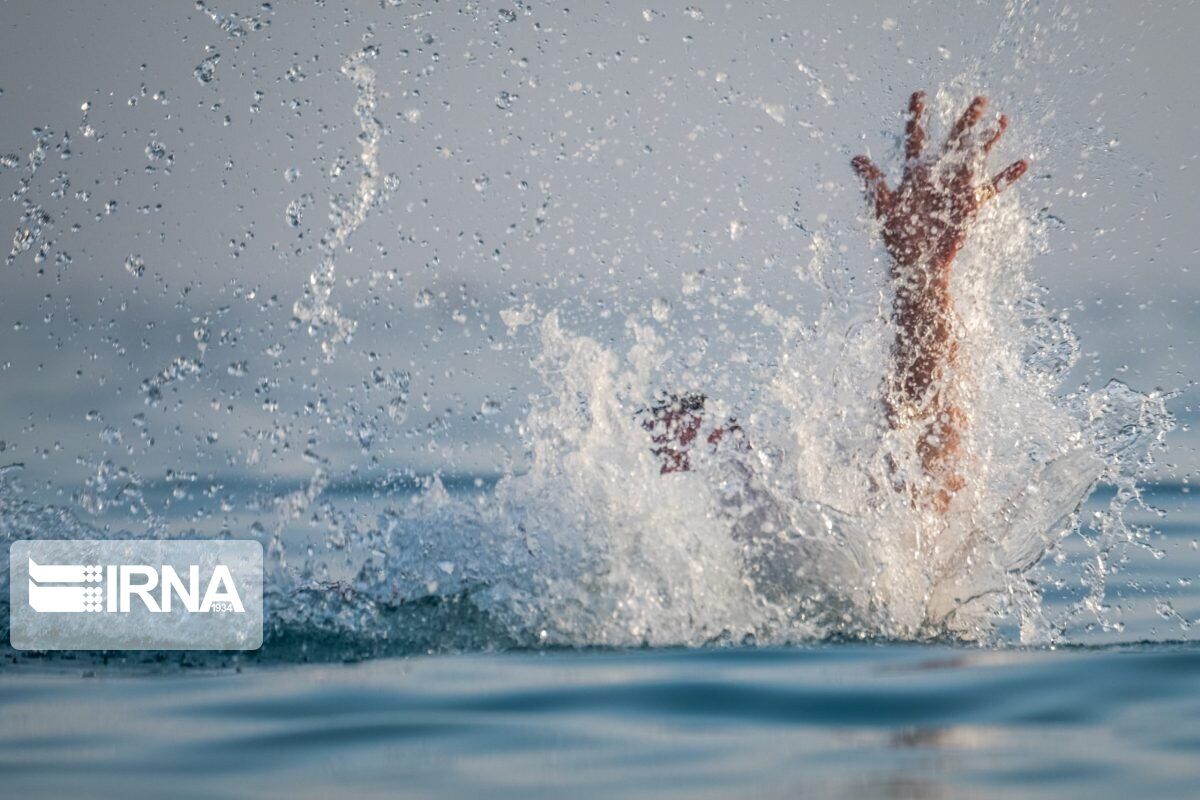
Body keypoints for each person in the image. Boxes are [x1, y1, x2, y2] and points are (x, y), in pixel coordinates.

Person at [642, 92, 1028, 513]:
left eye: (691, 441)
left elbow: (921, 490)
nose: (672, 461)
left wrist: (921, 280)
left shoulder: (793, 509)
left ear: (727, 434)